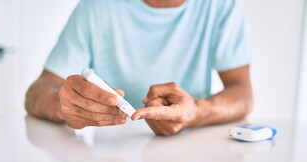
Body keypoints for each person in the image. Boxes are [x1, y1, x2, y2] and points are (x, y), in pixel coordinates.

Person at [25, 0, 253, 136]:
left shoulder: (221, 5)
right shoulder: (96, 6)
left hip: (190, 160)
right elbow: (36, 93)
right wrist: (64, 105)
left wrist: (195, 112)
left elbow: (242, 95)